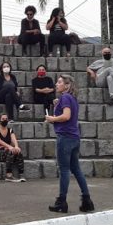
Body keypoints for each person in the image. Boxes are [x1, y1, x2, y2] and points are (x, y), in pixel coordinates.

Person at [45, 75, 93, 213]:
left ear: (67, 85)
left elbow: (66, 116)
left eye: (59, 82)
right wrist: (57, 105)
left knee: (64, 170)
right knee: (76, 169)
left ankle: (62, 201)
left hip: (65, 137)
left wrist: (51, 118)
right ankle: (87, 200)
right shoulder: (71, 98)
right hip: (74, 137)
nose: (56, 84)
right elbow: (68, 113)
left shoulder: (65, 98)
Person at [0, 113, 25, 182]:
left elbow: (14, 139)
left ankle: (21, 174)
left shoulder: (10, 130)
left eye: (6, 119)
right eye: (3, 119)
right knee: (10, 151)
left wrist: (16, 147)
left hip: (8, 151)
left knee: (18, 152)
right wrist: (9, 147)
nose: (5, 120)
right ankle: (8, 175)